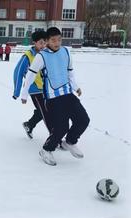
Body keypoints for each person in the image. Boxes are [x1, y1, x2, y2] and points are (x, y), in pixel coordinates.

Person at [21, 27, 90, 167]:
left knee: (83, 119)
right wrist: (24, 94)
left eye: (59, 39)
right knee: (61, 127)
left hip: (68, 94)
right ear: (46, 41)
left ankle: (70, 141)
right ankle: (46, 150)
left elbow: (70, 72)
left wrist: (75, 87)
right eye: (53, 40)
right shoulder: (41, 56)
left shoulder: (65, 51)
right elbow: (30, 75)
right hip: (53, 99)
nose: (57, 42)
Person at [13, 31, 50, 139]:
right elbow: (18, 73)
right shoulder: (28, 56)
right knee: (46, 113)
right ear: (34, 43)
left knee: (44, 110)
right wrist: (17, 92)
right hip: (34, 89)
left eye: (45, 43)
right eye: (41, 43)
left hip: (46, 88)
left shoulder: (47, 54)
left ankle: (29, 124)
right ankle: (55, 138)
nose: (43, 46)